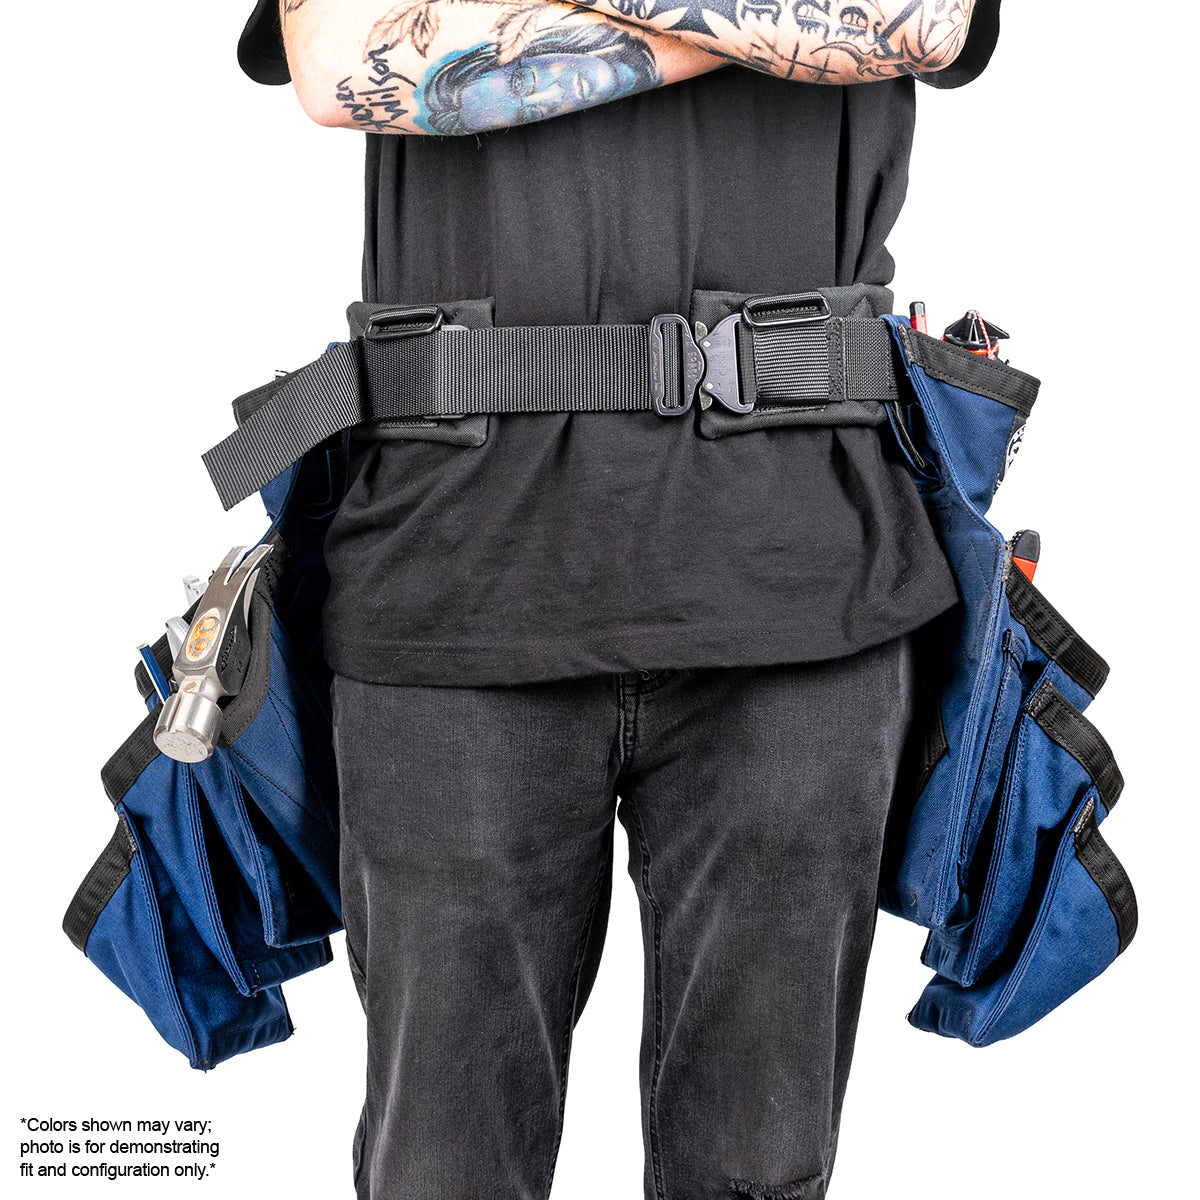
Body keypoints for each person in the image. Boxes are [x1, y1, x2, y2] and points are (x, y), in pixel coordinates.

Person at [236, 2, 1002, 1197]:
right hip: (454, 581)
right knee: (439, 1172)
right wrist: (773, 33)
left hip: (802, 583)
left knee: (759, 1174)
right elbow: (336, 63)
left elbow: (924, 21)